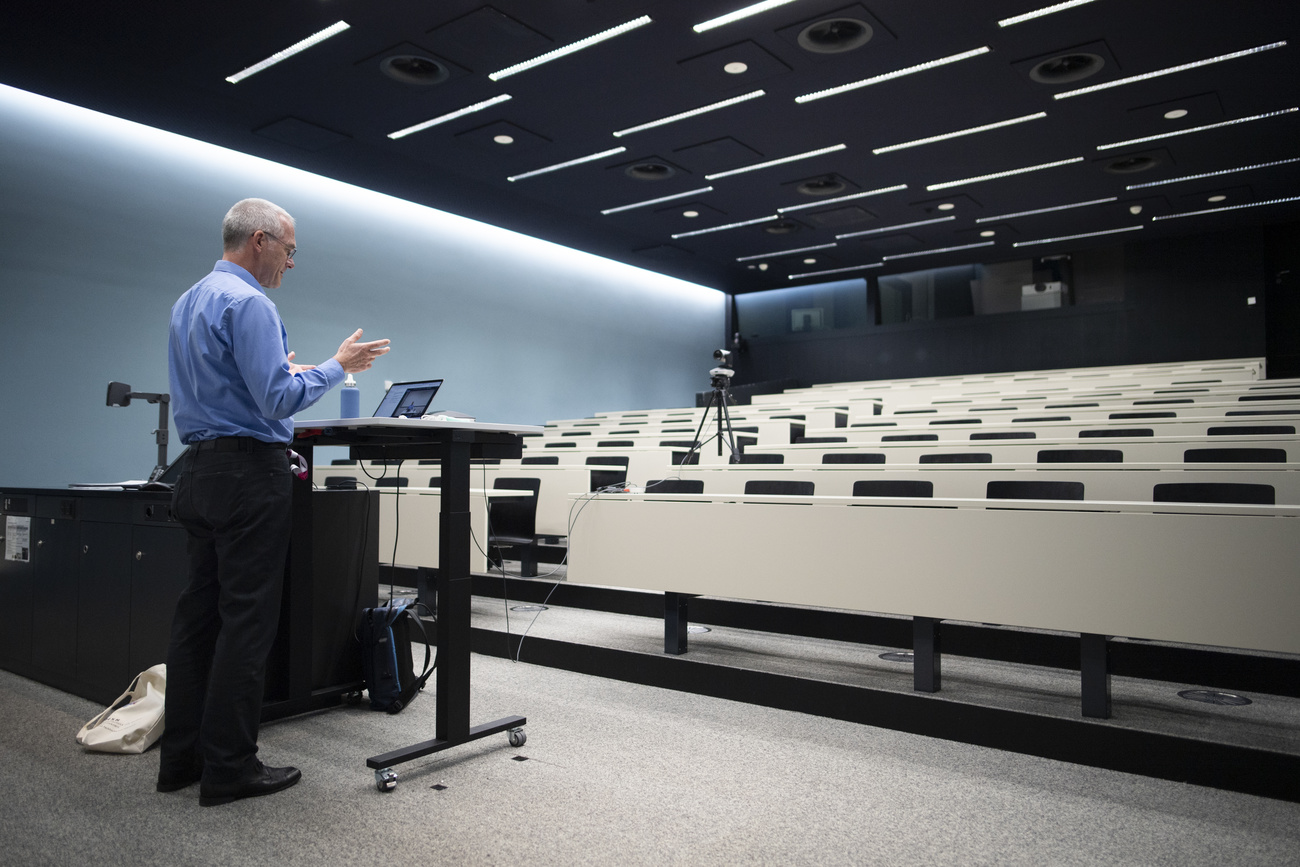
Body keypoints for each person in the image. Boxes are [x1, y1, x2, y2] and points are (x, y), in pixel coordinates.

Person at [158, 198, 389, 806]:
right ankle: (231, 768)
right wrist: (336, 368)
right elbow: (275, 402)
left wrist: (292, 371)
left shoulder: (191, 299)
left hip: (200, 472)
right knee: (247, 622)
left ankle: (181, 760)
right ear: (259, 240)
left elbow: (235, 383)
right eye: (289, 249)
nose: (291, 262)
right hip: (246, 476)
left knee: (197, 621)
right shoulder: (253, 303)